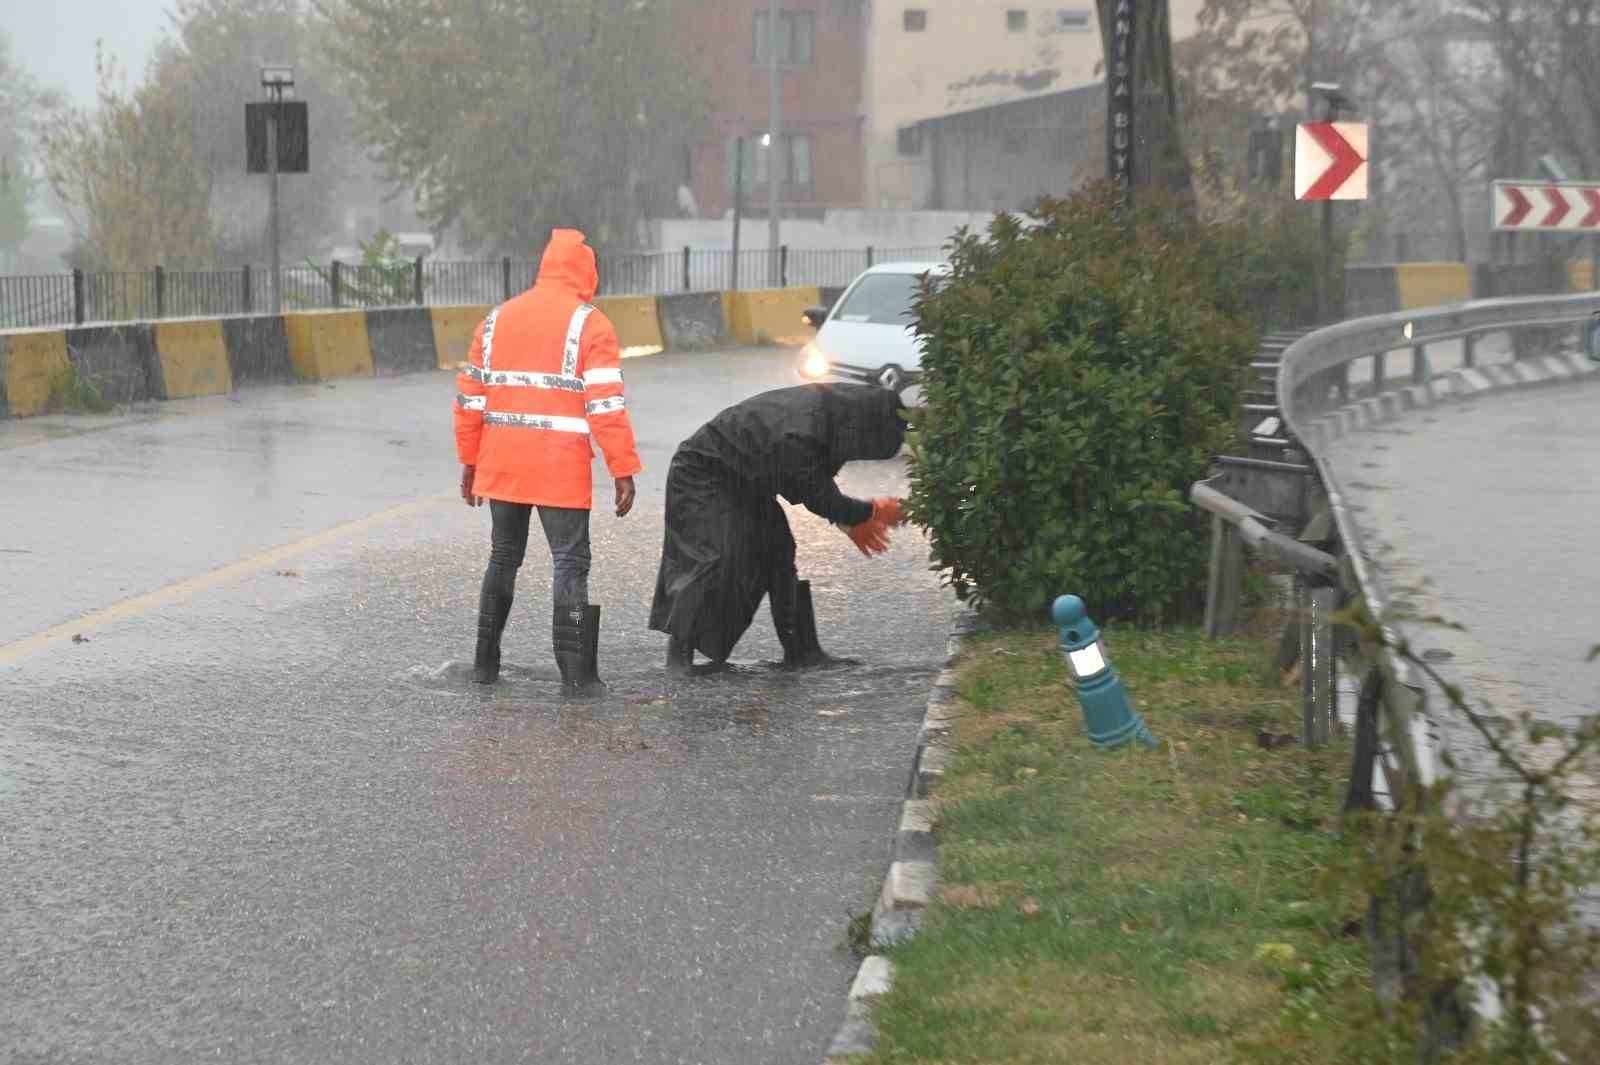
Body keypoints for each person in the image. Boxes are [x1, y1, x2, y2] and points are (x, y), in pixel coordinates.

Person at [455, 229, 641, 695]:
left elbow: (470, 399)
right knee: (570, 563)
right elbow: (605, 405)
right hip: (558, 469)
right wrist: (622, 468)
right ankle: (576, 676)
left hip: (502, 464)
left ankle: (484, 664)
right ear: (585, 272)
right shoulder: (590, 324)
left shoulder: (496, 319)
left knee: (503, 557)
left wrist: (470, 461)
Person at [648, 383, 909, 676]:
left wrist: (849, 521)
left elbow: (814, 478)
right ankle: (679, 657)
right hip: (702, 474)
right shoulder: (801, 431)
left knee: (778, 550)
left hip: (745, 479)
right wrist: (870, 512)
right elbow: (815, 491)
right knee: (714, 559)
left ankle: (803, 651)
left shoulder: (833, 414)